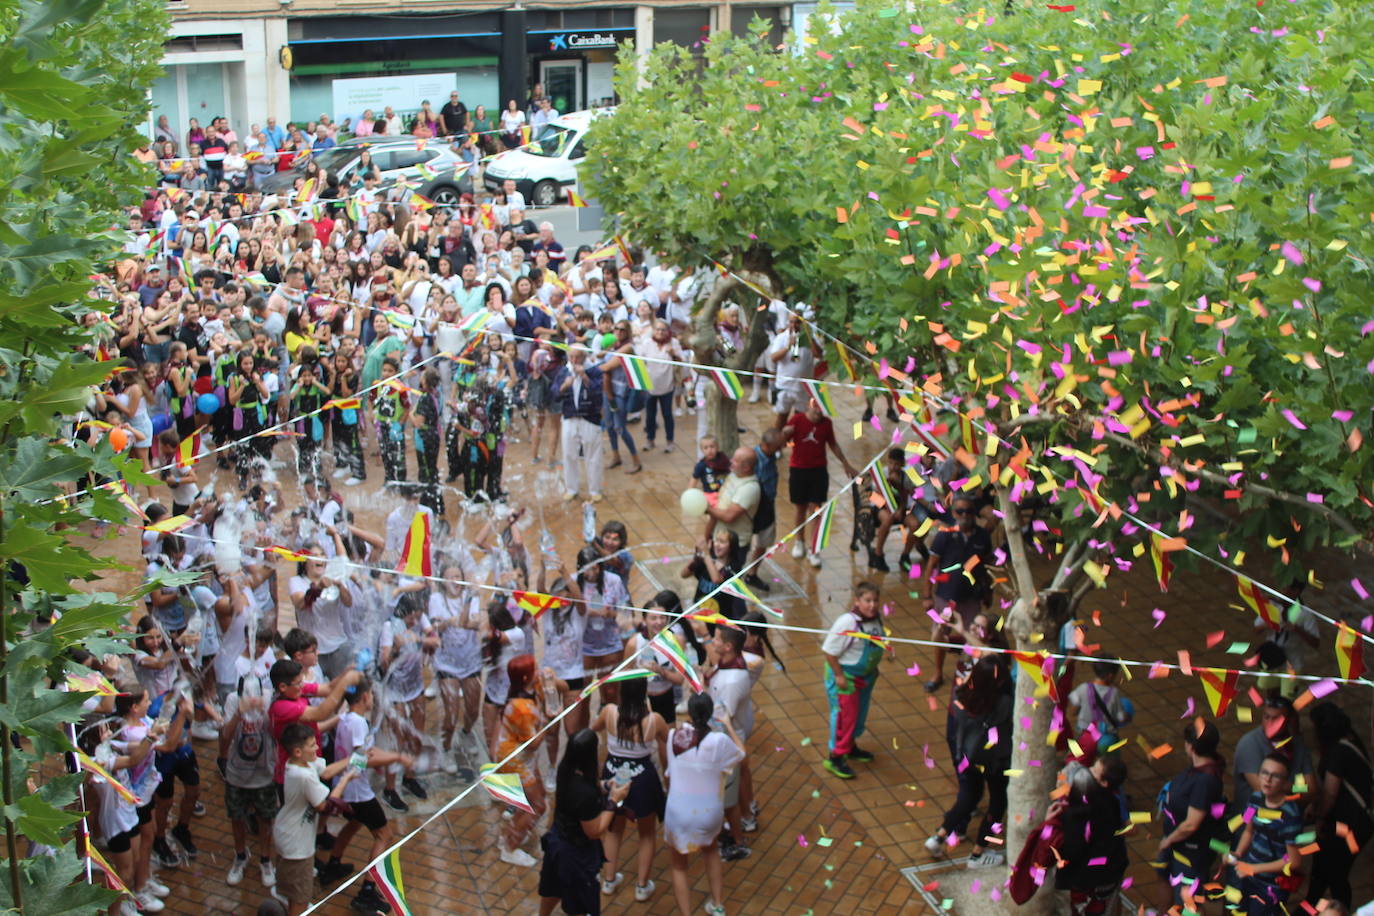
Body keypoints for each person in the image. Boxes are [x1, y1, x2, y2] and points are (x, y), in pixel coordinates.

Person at [663, 693, 746, 916]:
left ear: (689, 712)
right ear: (711, 714)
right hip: (709, 812)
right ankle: (718, 906)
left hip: (678, 810)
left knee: (679, 865)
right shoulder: (719, 740)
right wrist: (727, 724)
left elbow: (670, 773)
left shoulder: (673, 736)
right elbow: (741, 754)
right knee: (711, 852)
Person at [925, 654, 1013, 867]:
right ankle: (978, 853)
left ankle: (939, 837)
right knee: (998, 802)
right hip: (995, 760)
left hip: (966, 755)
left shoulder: (960, 694)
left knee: (969, 796)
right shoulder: (1003, 702)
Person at [536, 729, 631, 916]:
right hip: (575, 855)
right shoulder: (583, 795)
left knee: (553, 888)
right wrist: (613, 800)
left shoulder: (566, 770)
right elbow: (595, 830)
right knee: (581, 905)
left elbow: (589, 784)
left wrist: (605, 786)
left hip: (558, 841)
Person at [591, 676, 668, 900]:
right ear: (644, 693)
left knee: (614, 829)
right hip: (643, 778)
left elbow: (594, 727)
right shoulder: (653, 720)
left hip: (613, 772)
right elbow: (666, 738)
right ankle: (642, 886)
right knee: (646, 833)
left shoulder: (610, 713)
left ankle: (609, 880)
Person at [273, 723, 358, 916]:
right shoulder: (302, 776)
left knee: (294, 892)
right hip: (296, 844)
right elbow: (326, 805)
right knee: (300, 897)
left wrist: (352, 759)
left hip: (289, 833)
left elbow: (326, 771)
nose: (317, 748)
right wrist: (346, 779)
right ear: (297, 751)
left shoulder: (302, 763)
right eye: (312, 745)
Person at [1154, 718, 1228, 912]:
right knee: (1165, 879)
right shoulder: (1199, 769)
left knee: (1189, 901)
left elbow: (1191, 824)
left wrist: (1168, 840)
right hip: (1177, 846)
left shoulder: (1205, 781)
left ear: (1191, 747)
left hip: (1190, 853)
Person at [1305, 701, 1374, 908]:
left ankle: (1325, 909)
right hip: (1359, 826)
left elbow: (1330, 794)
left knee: (1332, 873)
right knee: (1329, 872)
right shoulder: (1351, 740)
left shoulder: (1336, 753)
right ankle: (1312, 907)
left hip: (1345, 828)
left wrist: (1319, 819)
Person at [923, 495, 992, 692]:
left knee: (974, 636)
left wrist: (988, 591)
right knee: (940, 634)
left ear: (974, 514)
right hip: (946, 596)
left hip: (972, 598)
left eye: (969, 511)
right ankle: (937, 672)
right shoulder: (944, 535)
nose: (964, 515)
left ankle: (970, 674)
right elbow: (931, 565)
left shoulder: (982, 536)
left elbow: (986, 566)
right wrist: (927, 595)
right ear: (953, 513)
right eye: (960, 511)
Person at [821, 581, 889, 780]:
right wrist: (840, 676)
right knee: (843, 718)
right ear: (857, 601)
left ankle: (849, 748)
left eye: (875, 600)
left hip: (865, 678)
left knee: (858, 715)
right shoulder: (848, 622)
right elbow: (829, 652)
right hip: (845, 679)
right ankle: (834, 757)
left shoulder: (875, 620)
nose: (872, 605)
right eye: (867, 600)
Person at [1051, 754, 1130, 916]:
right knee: (1110, 904)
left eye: (1094, 771)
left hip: (1090, 879)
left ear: (1104, 783)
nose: (1088, 771)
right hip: (1111, 870)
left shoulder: (1082, 811)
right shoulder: (1113, 799)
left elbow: (1073, 850)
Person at [781, 398, 857, 568]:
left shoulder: (826, 424)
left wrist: (846, 464)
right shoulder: (797, 420)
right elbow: (784, 442)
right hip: (798, 470)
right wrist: (785, 433)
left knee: (816, 510)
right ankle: (799, 541)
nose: (818, 415)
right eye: (816, 411)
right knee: (800, 508)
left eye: (821, 412)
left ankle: (814, 549)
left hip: (819, 471)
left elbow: (833, 445)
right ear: (810, 407)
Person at [1227, 752, 1305, 915]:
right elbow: (1248, 830)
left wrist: (1255, 868)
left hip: (1272, 885)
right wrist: (1238, 852)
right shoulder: (1255, 798)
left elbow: (1294, 861)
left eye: (1275, 776)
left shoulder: (1290, 814)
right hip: (1248, 876)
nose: (1267, 780)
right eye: (1264, 772)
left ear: (1285, 782)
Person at [495, 654, 550, 867]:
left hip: (522, 759)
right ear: (527, 677)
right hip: (516, 762)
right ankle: (510, 847)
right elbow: (534, 743)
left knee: (534, 799)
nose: (539, 671)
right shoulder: (521, 707)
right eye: (535, 669)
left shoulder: (527, 694)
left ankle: (512, 834)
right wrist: (549, 720)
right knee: (537, 805)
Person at [1233, 694, 1314, 808]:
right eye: (1266, 717)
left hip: (1289, 816)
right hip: (1252, 816)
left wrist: (1288, 787)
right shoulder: (1250, 744)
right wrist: (1295, 788)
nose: (1270, 723)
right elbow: (1263, 792)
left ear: (1288, 721)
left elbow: (1311, 789)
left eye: (1276, 719)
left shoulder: (1297, 744)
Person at [553, 345, 605, 502]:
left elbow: (598, 394)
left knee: (593, 455)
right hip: (570, 417)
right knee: (569, 454)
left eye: (578, 357)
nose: (574, 360)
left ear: (584, 357)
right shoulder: (563, 372)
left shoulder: (594, 370)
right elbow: (554, 394)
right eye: (571, 357)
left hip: (590, 417)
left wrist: (585, 378)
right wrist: (564, 386)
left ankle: (595, 490)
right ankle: (571, 488)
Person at [703, 447, 760, 569]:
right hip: (718, 538)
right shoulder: (733, 476)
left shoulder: (750, 488)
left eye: (735, 460)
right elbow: (719, 506)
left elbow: (729, 517)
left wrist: (706, 508)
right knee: (710, 573)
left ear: (746, 468)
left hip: (735, 545)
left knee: (725, 581)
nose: (731, 461)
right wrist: (707, 535)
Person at [1065, 658, 1134, 757]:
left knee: (1082, 759)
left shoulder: (1083, 688)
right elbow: (1121, 717)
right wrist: (1128, 716)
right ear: (1110, 676)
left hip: (1085, 737)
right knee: (1108, 763)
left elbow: (1072, 712)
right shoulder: (1114, 694)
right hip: (1105, 740)